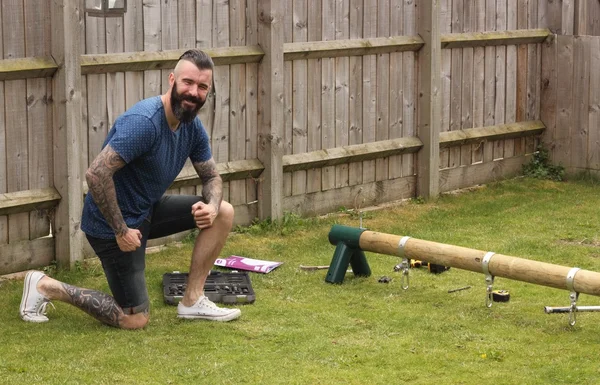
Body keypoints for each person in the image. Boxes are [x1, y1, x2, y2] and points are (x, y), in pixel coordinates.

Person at [19, 49, 241, 329]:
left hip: (145, 210)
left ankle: (192, 300)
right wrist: (120, 231)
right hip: (110, 227)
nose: (194, 92)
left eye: (202, 86)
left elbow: (211, 177)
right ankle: (44, 285)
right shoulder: (145, 122)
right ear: (171, 80)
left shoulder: (191, 126)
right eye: (188, 82)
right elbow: (97, 174)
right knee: (134, 319)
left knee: (223, 211)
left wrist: (210, 206)